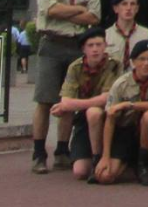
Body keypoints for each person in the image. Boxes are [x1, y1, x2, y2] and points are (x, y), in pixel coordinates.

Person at [32, 0, 101, 174]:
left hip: (75, 46)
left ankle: (62, 150)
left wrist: (65, 12)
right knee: (45, 99)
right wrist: (79, 9)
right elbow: (49, 9)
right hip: (51, 43)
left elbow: (93, 17)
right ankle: (39, 153)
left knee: (68, 100)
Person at [52, 27, 122, 182]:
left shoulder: (115, 65)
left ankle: (98, 158)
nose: (95, 49)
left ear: (105, 46)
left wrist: (75, 105)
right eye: (90, 46)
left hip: (111, 118)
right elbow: (65, 101)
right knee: (79, 172)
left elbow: (106, 98)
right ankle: (69, 151)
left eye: (99, 45)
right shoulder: (75, 67)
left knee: (94, 112)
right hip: (85, 120)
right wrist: (72, 105)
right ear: (83, 49)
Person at [95, 40, 148, 186]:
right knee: (105, 177)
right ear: (133, 62)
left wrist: (129, 104)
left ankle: (143, 164)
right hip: (125, 132)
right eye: (142, 59)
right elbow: (110, 118)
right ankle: (127, 161)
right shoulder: (121, 84)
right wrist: (105, 155)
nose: (146, 63)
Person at [104, 0, 148, 72]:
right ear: (116, 9)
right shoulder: (106, 36)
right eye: (124, 4)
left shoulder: (147, 35)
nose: (128, 8)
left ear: (137, 9)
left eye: (132, 4)